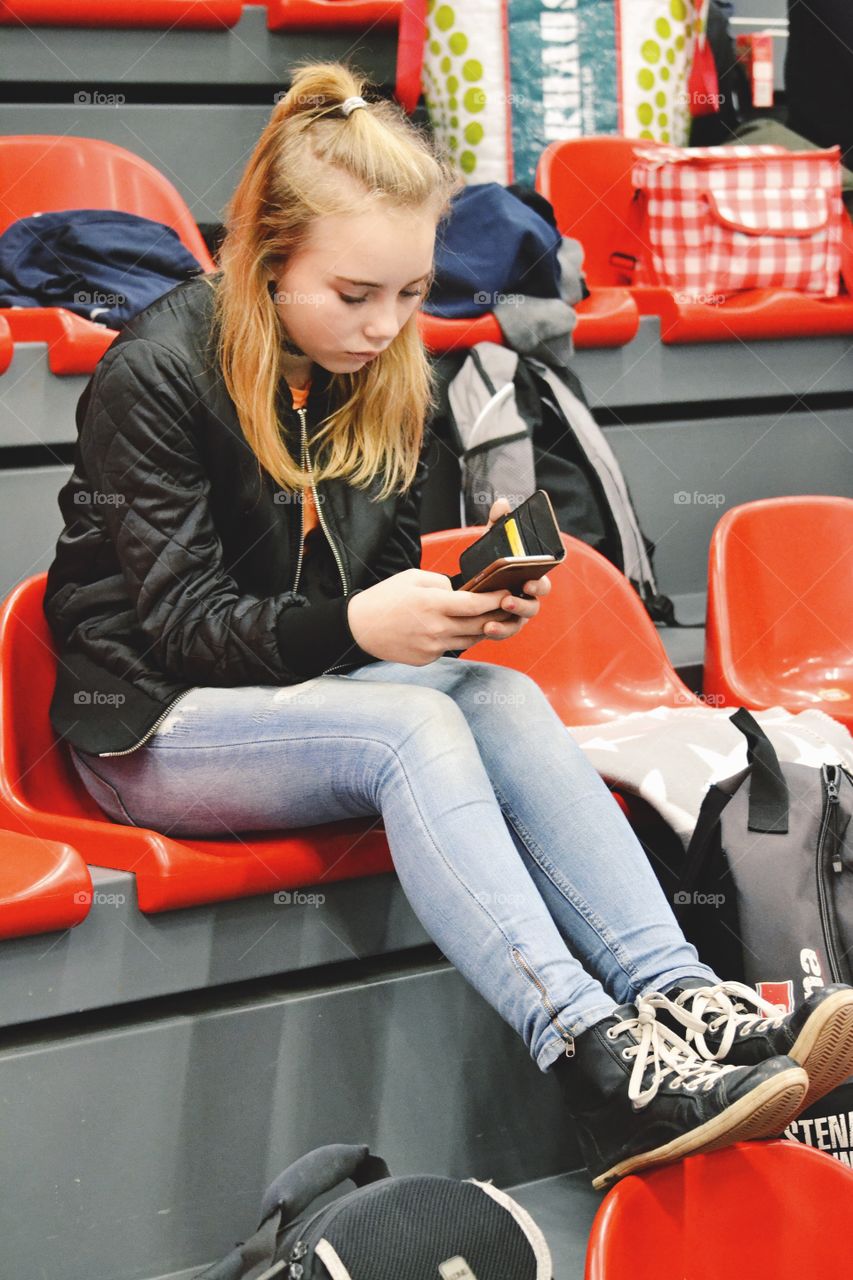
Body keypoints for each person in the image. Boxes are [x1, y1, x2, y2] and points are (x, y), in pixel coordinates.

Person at [42, 61, 853, 1191]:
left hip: (292, 695)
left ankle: (682, 1001)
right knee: (412, 736)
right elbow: (184, 626)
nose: (386, 326)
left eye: (412, 294)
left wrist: (449, 616)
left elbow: (361, 594)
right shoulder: (155, 373)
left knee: (503, 694)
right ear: (267, 262)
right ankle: (591, 1056)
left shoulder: (389, 375)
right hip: (149, 721)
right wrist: (360, 622)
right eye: (354, 294)